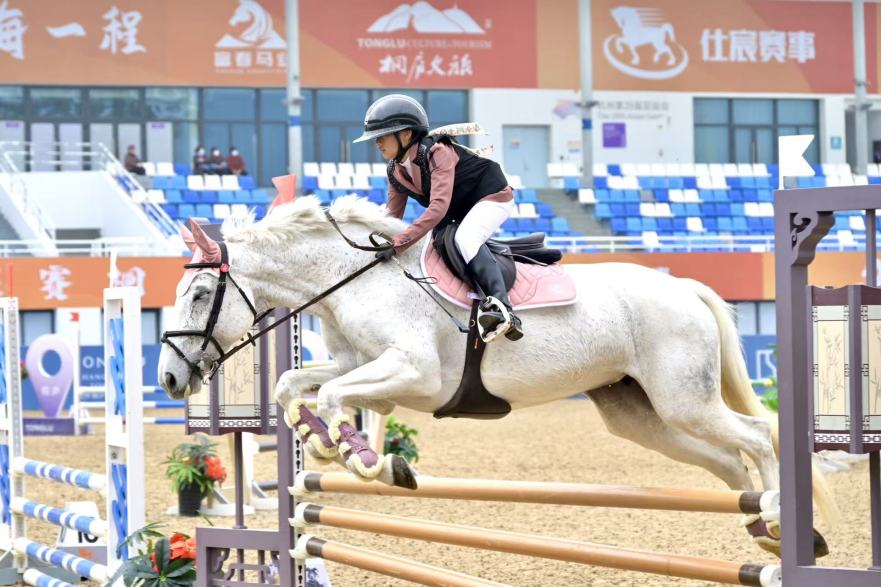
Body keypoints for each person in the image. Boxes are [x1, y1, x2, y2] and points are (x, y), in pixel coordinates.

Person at [353, 94, 522, 342]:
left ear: (407, 134)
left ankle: (503, 309)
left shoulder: (437, 151)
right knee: (434, 246)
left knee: (466, 238)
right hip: (459, 209)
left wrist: (399, 243)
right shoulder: (395, 170)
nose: (377, 143)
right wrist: (369, 246)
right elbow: (390, 218)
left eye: (382, 136)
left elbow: (438, 207)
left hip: (491, 196)